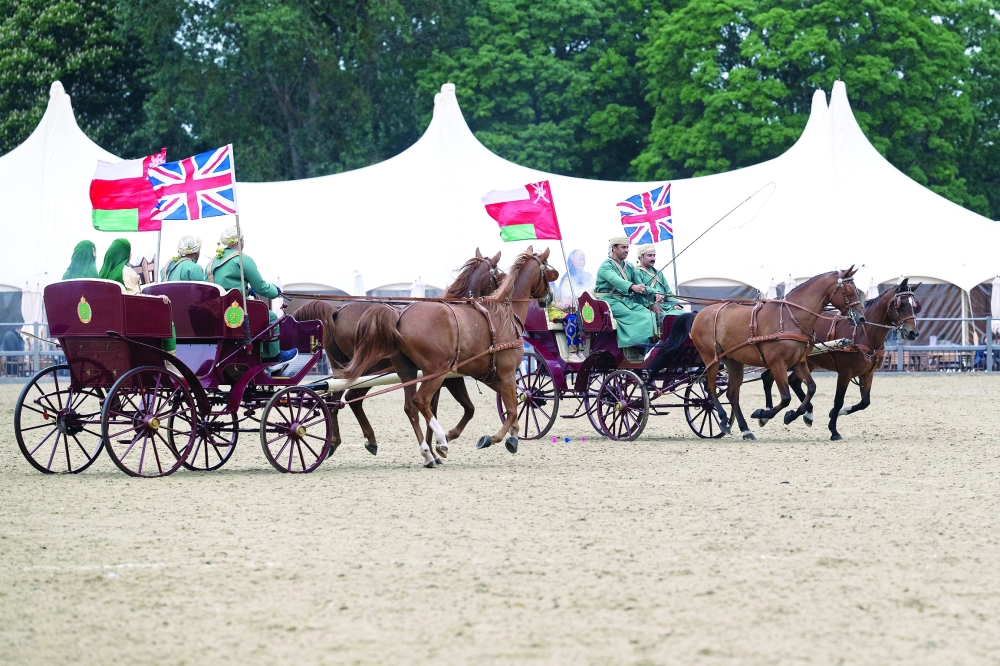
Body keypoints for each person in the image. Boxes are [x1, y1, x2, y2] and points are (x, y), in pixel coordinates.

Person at [208, 227, 296, 365]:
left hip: (217, 312)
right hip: (236, 311)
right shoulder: (242, 259)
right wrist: (274, 291)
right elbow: (261, 287)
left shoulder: (212, 262)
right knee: (270, 317)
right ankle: (273, 357)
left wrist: (247, 291)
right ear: (240, 240)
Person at [595, 236, 658, 350]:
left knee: (649, 314)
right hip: (609, 301)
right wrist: (632, 287)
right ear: (614, 248)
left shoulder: (629, 266)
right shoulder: (606, 266)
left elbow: (640, 285)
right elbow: (615, 280)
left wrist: (655, 293)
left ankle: (648, 343)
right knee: (635, 316)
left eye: (627, 247)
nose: (627, 250)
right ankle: (640, 346)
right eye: (623, 247)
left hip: (626, 301)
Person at [634, 244, 681, 334]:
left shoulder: (658, 273)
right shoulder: (636, 272)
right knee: (668, 318)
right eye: (649, 255)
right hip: (648, 308)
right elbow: (638, 294)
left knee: (683, 315)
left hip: (666, 306)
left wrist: (674, 304)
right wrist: (651, 305)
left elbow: (668, 292)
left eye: (654, 255)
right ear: (641, 257)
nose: (653, 258)